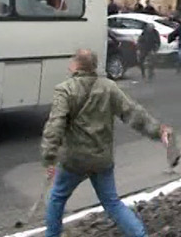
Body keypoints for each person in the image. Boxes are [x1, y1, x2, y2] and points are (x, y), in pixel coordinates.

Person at [41, 49, 173, 237]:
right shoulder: (109, 87)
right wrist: (157, 130)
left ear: (77, 65)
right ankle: (139, 235)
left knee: (57, 198)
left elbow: (55, 125)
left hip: (74, 161)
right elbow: (132, 113)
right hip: (102, 159)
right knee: (112, 202)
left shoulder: (65, 90)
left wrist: (49, 158)